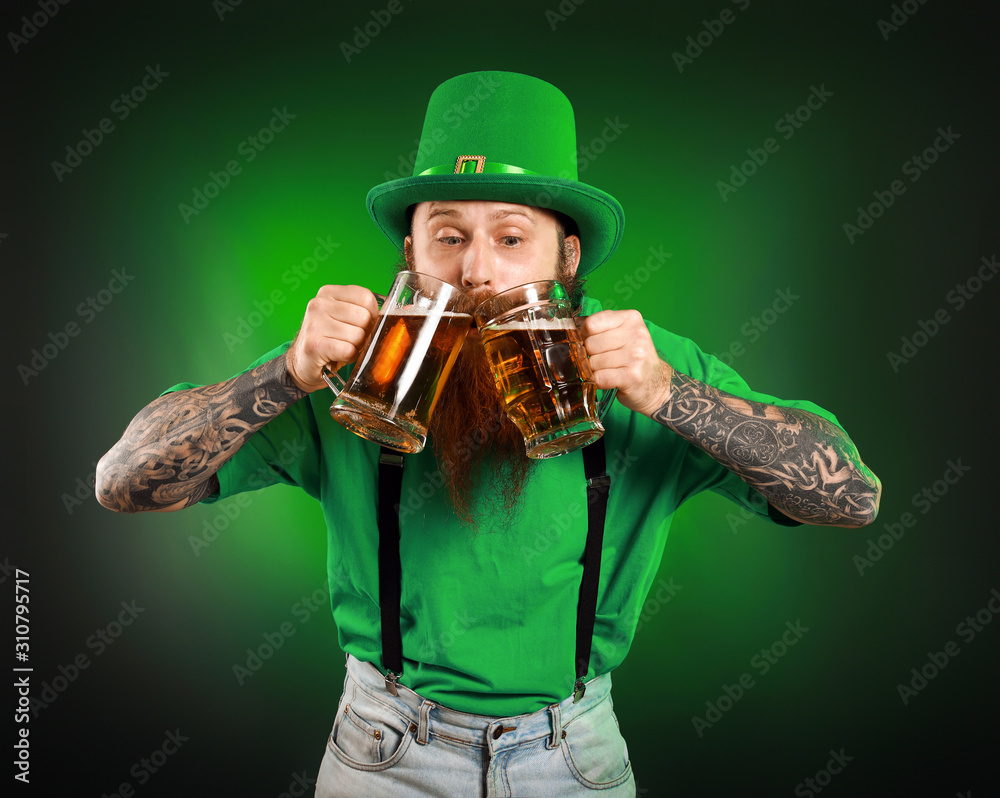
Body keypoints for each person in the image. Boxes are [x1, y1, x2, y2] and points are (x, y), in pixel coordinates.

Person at [96, 71, 881, 797]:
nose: (476, 272)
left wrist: (669, 395)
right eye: (447, 236)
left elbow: (851, 497)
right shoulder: (351, 363)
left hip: (574, 752)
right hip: (384, 749)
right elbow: (123, 482)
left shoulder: (645, 364)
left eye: (511, 238)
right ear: (409, 252)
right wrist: (282, 376)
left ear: (566, 256)